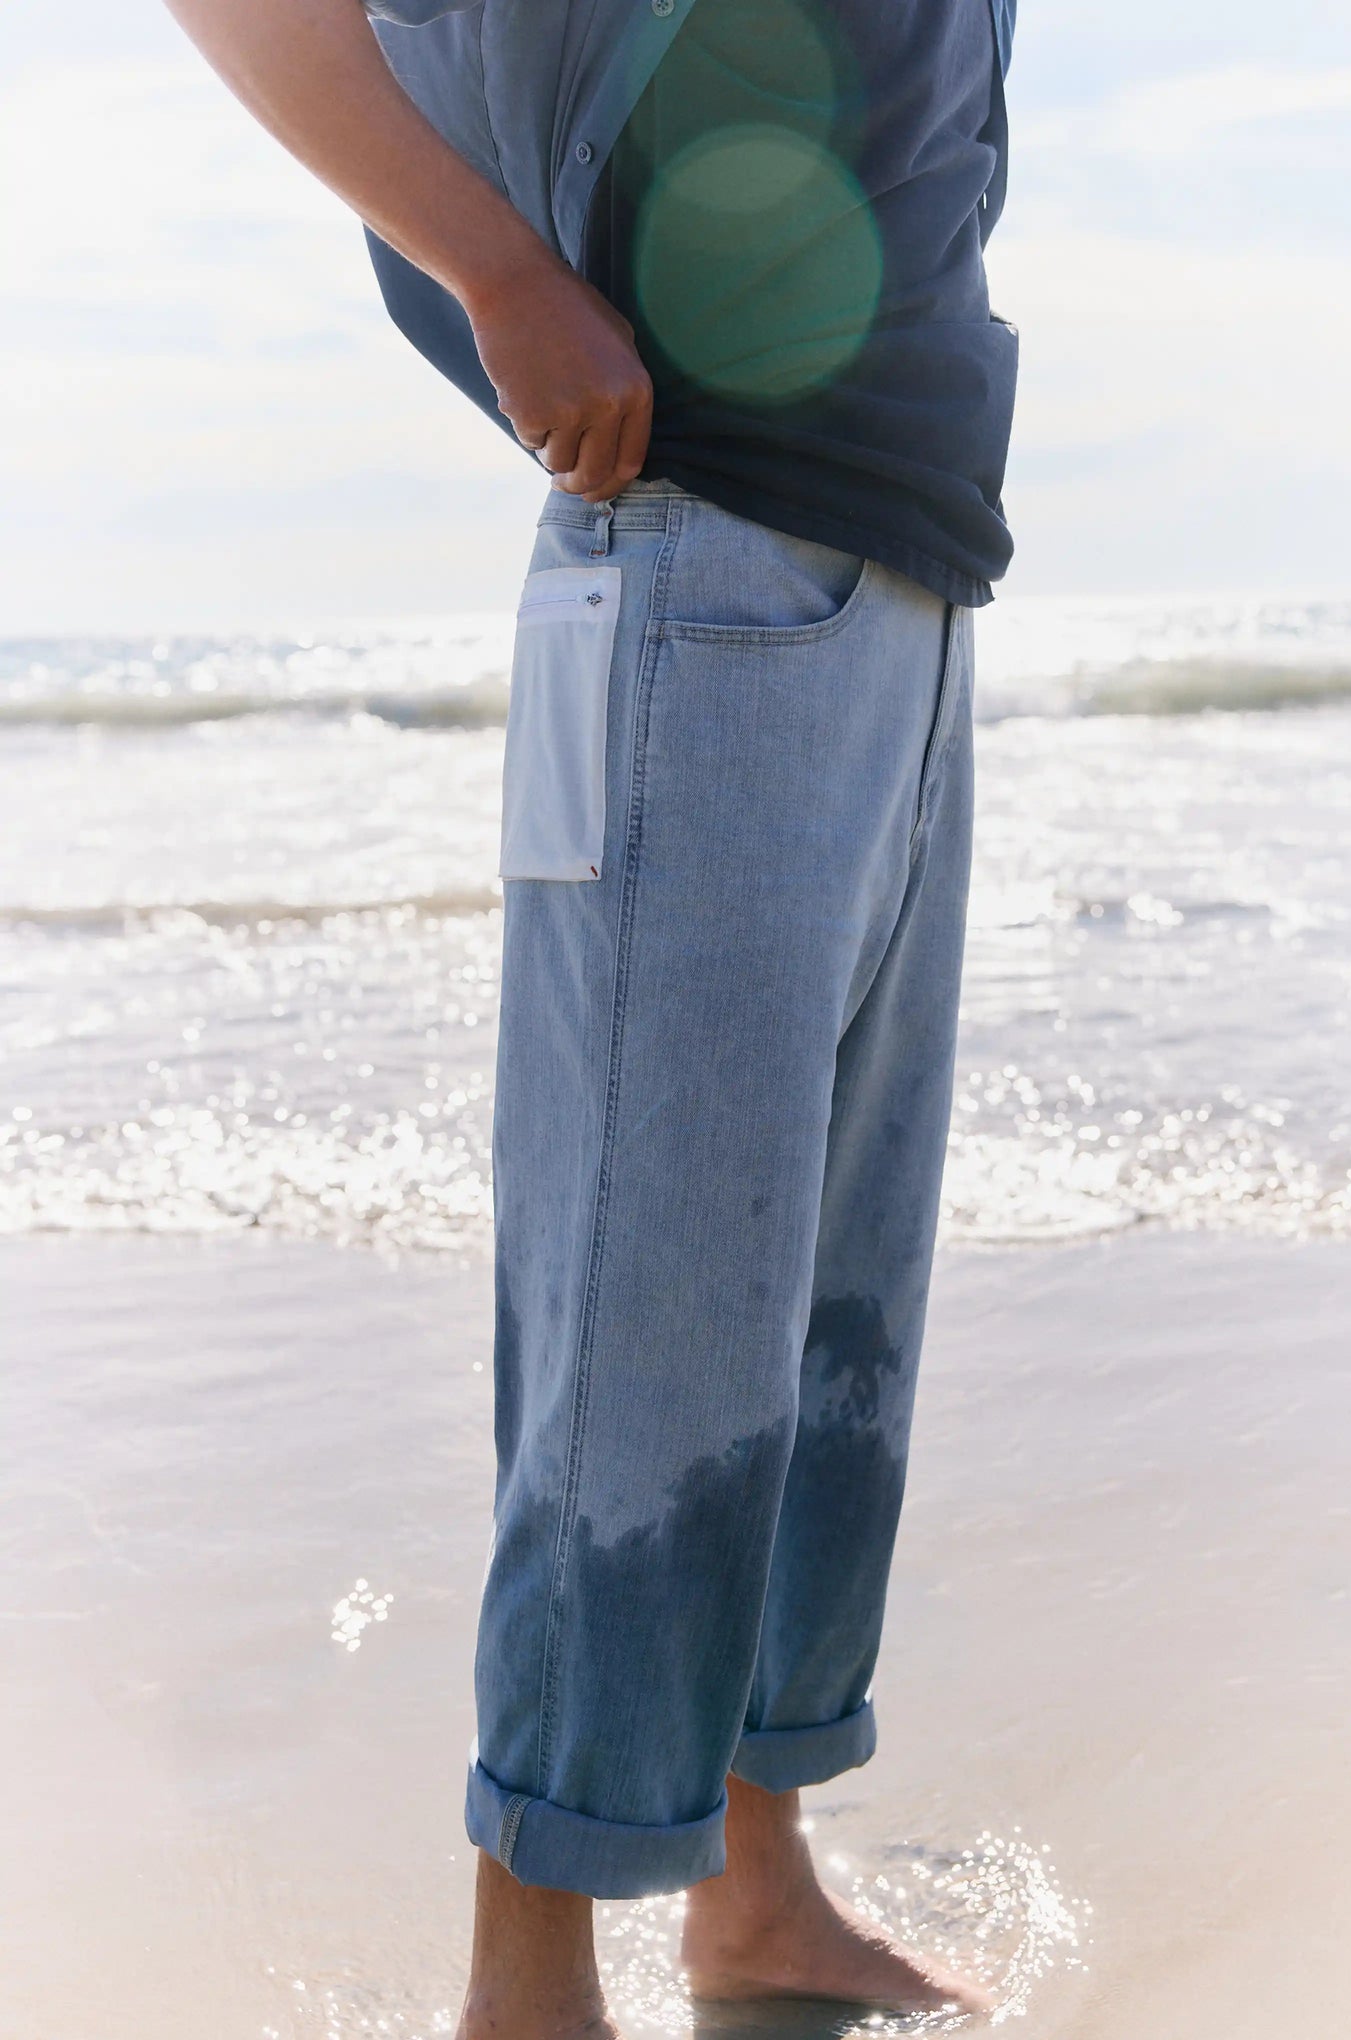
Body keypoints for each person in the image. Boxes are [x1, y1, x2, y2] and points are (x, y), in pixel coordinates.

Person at [164, 3, 1020, 2034]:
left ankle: (757, 1890)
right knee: (642, 1298)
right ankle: (524, 1986)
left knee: (824, 1305)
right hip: (681, 553)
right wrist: (501, 273)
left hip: (902, 558)